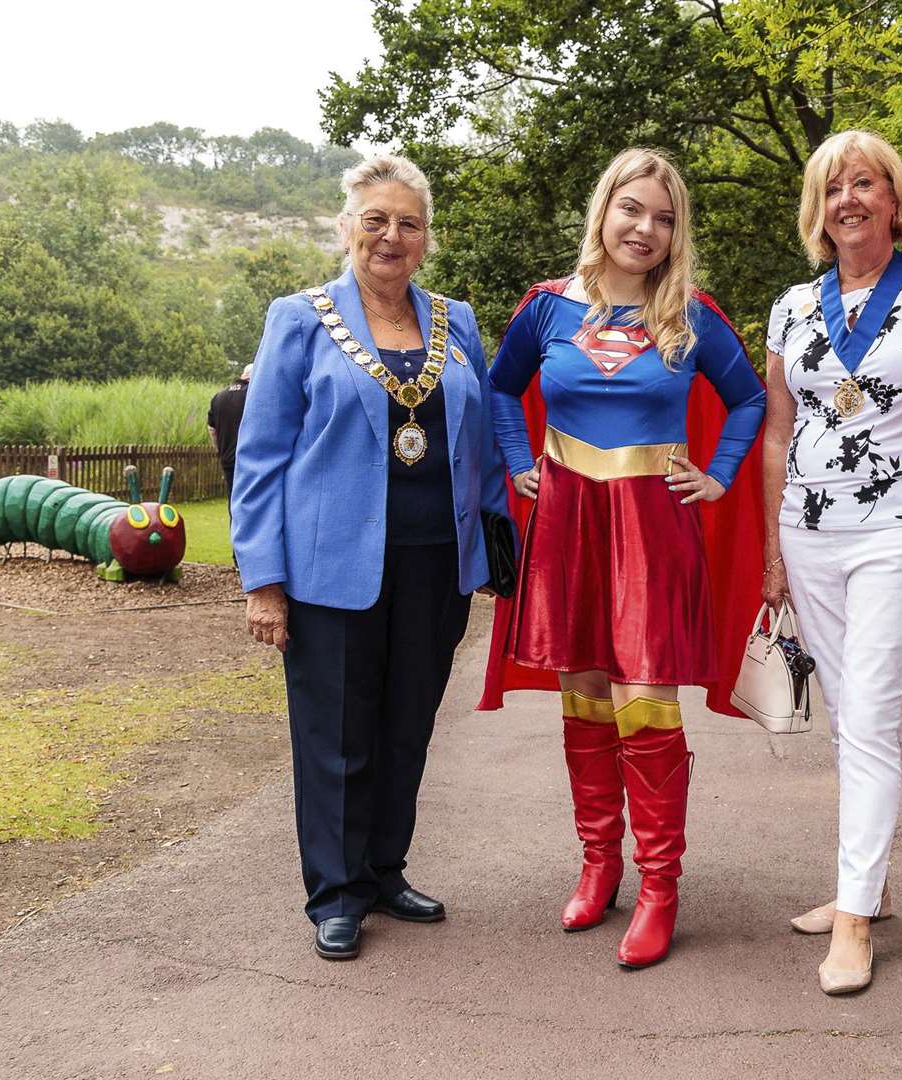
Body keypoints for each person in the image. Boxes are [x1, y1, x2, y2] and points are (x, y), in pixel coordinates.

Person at [487, 148, 766, 970]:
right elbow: (504, 389)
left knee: (646, 702)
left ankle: (660, 886)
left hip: (652, 522)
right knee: (583, 695)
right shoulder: (546, 310)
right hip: (570, 518)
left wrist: (717, 477)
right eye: (633, 209)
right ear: (604, 210)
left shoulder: (691, 316)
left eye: (665, 217)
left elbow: (748, 396)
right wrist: (518, 462)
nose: (647, 228)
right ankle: (598, 863)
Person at [232, 155, 509, 962]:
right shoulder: (299, 318)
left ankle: (385, 870)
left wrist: (491, 547)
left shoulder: (457, 321)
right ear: (348, 227)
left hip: (434, 563)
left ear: (426, 238)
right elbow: (261, 459)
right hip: (328, 570)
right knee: (336, 734)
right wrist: (264, 582)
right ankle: (336, 891)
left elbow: (481, 440)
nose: (392, 236)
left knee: (407, 727)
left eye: (409, 223)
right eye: (376, 220)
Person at [761, 130, 902, 995]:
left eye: (866, 183)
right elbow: (780, 432)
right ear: (818, 211)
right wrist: (773, 550)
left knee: (874, 716)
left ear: (894, 197)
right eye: (833, 188)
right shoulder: (790, 307)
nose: (849, 199)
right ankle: (873, 884)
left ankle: (853, 922)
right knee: (847, 711)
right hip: (810, 530)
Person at [208, 363, 252, 501]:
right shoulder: (253, 395)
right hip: (250, 458)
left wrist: (219, 449)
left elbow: (211, 429)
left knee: (233, 499)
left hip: (228, 458)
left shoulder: (219, 397)